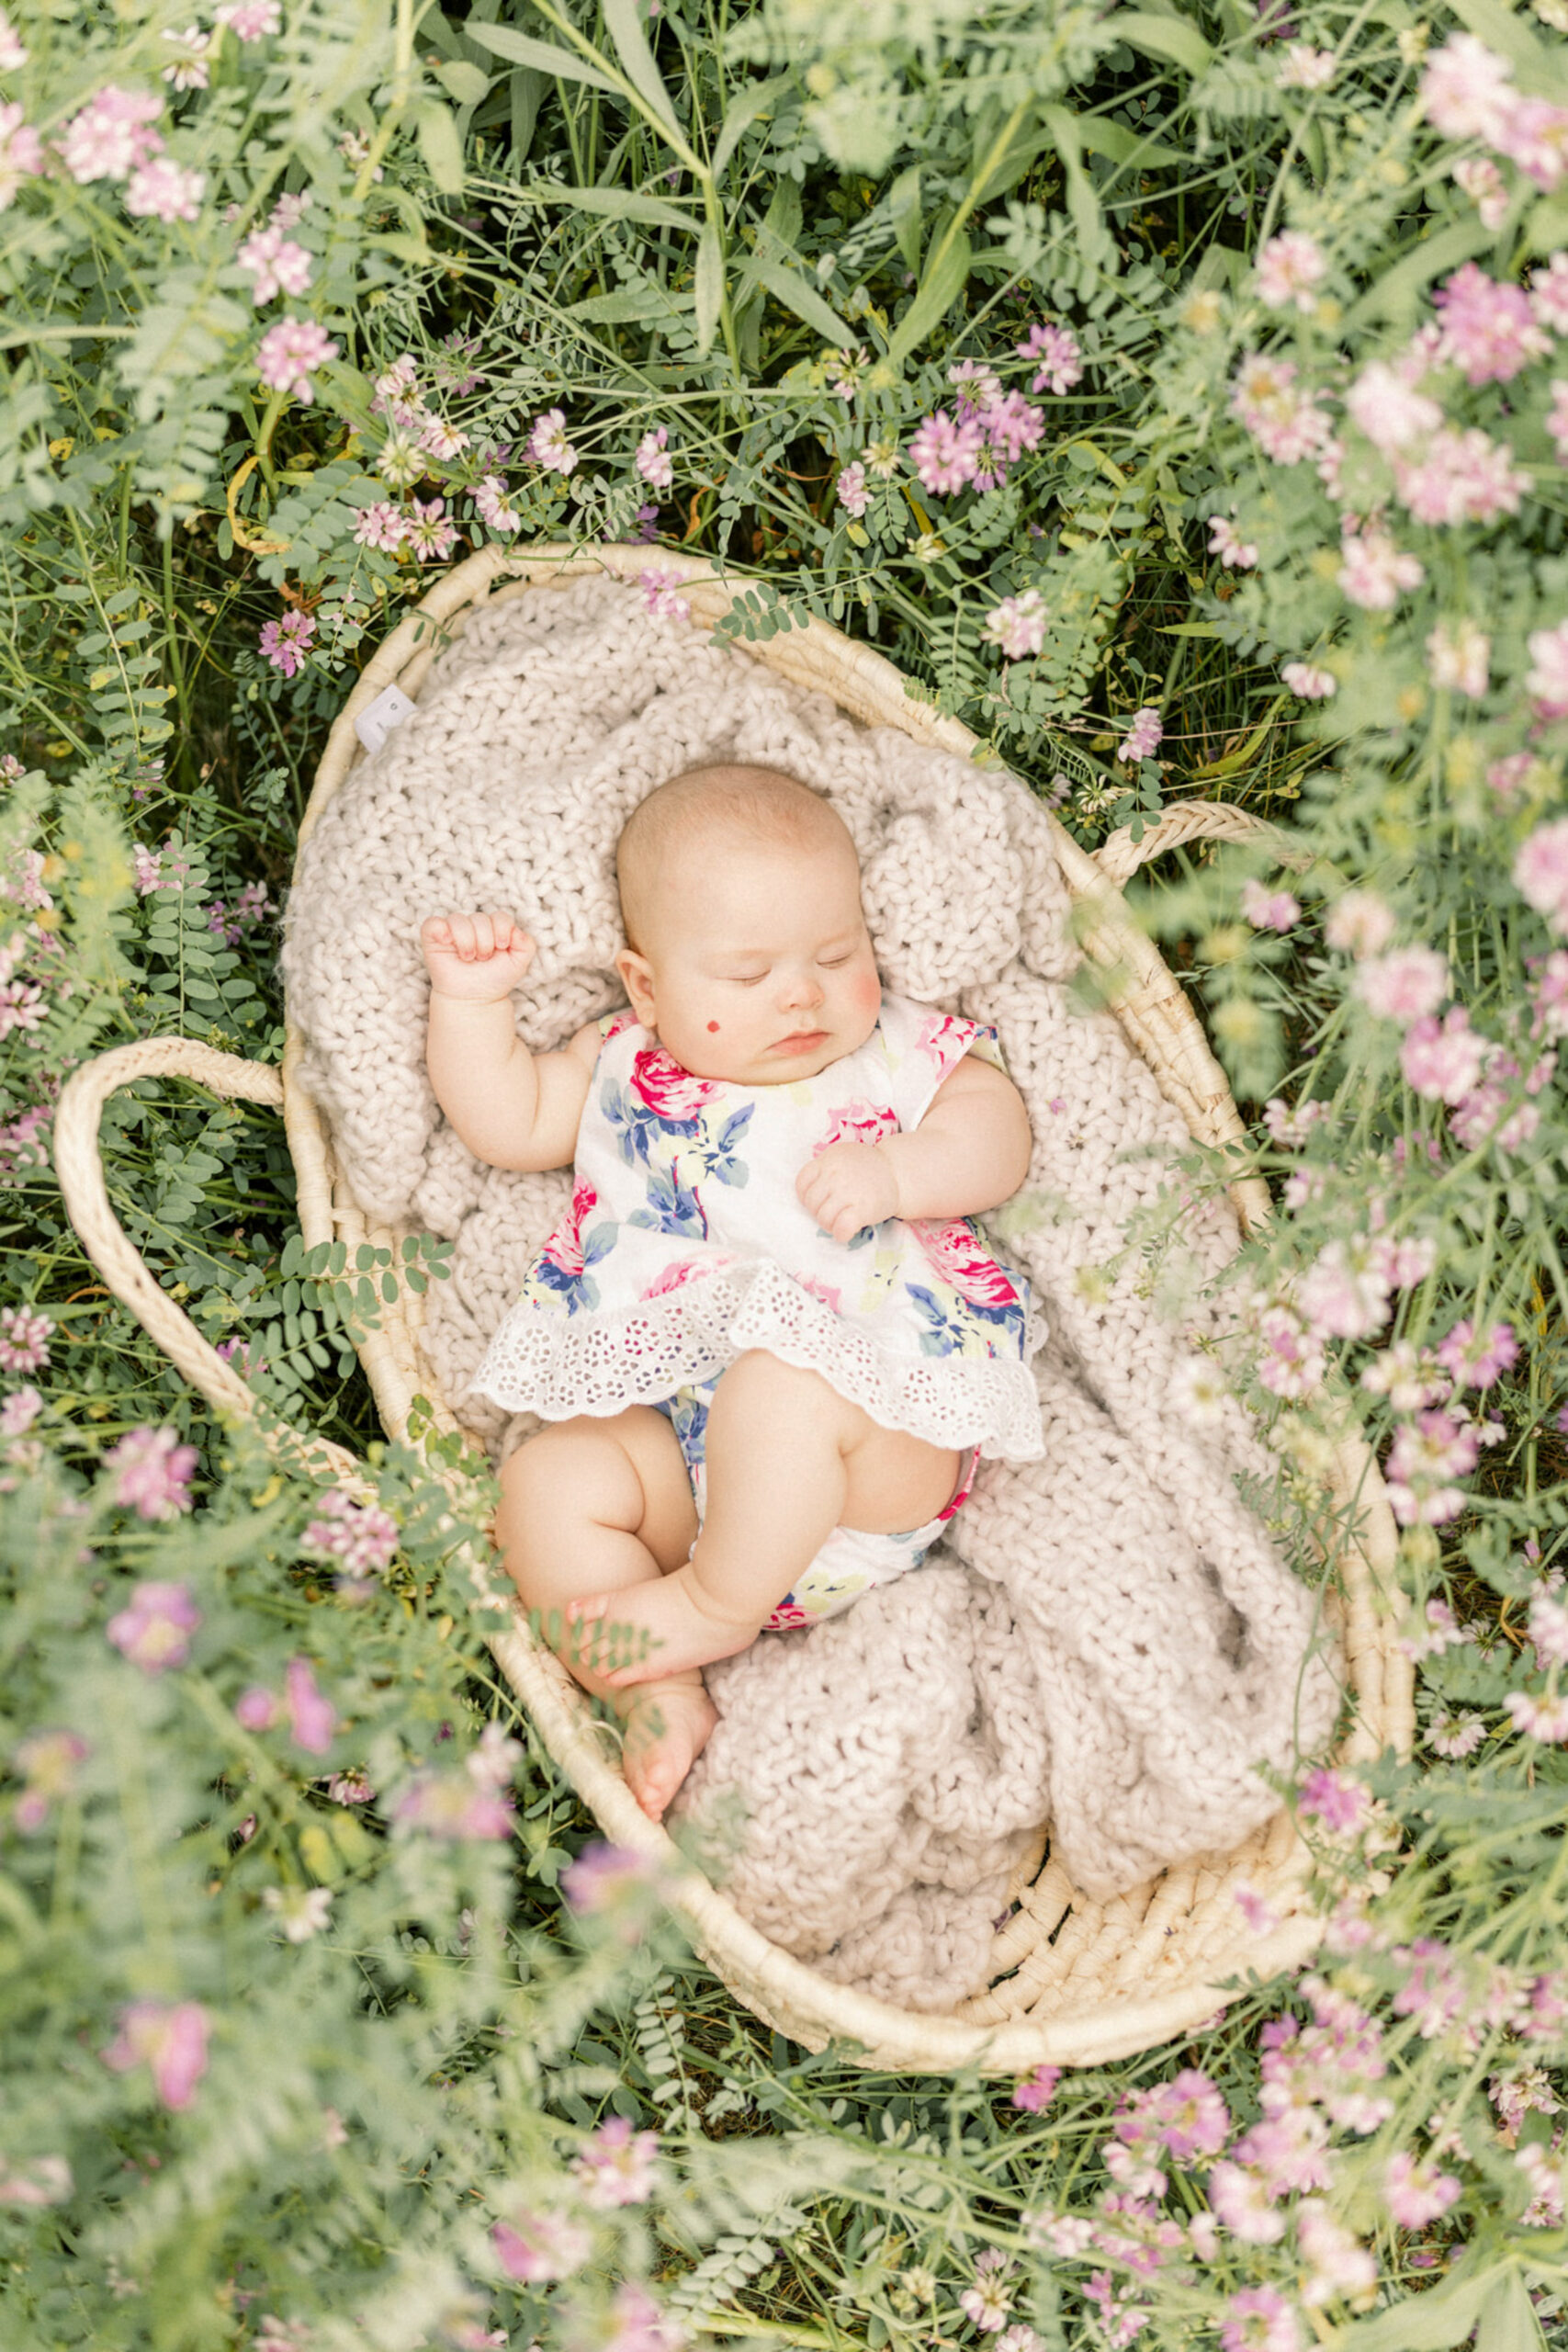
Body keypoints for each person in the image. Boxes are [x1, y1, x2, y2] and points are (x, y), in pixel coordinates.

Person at [422, 764, 1043, 1818]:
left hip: (872, 1448)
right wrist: (474, 1006)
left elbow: (1000, 1132)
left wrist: (903, 1174)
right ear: (649, 986)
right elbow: (509, 1118)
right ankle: (657, 1687)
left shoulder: (889, 1051)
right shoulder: (620, 1066)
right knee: (546, 1481)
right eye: (746, 973)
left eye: (834, 955)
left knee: (783, 1379)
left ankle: (711, 1611)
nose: (799, 994)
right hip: (693, 1485)